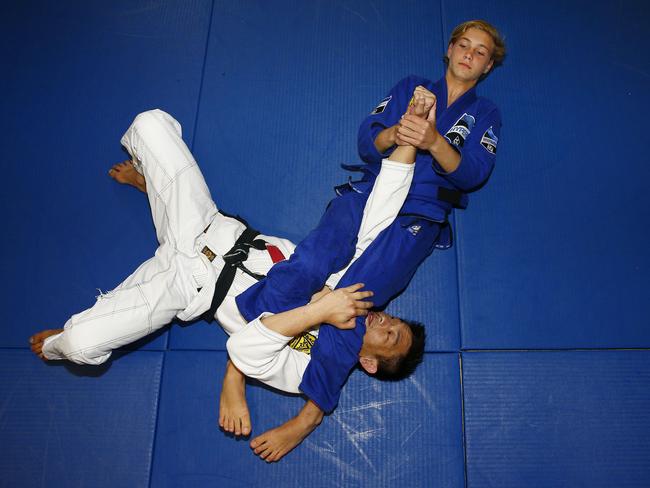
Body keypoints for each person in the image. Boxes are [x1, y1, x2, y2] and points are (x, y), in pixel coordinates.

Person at [28, 107, 426, 460]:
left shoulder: (307, 368)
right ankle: (155, 191)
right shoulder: (354, 290)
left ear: (369, 363)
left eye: (390, 336)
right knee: (149, 123)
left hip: (187, 285)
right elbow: (377, 221)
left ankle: (59, 340)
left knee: (78, 344)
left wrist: (316, 319)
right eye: (395, 321)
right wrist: (406, 144)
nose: (384, 321)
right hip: (211, 226)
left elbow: (246, 349)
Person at [233, 18, 506, 434]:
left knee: (355, 301)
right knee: (312, 261)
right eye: (464, 45)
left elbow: (472, 174)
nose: (470, 53)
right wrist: (399, 131)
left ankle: (312, 410)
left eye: (480, 51)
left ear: (487, 67)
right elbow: (367, 141)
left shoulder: (486, 114)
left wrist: (433, 140)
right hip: (371, 189)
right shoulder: (412, 86)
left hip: (418, 216)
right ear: (448, 51)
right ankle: (247, 334)